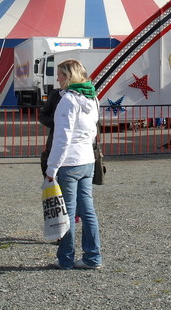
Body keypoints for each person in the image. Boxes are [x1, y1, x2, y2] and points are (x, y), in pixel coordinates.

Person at [46, 59, 103, 269]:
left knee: (67, 212)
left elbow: (62, 138)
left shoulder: (68, 100)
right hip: (87, 159)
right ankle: (93, 257)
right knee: (88, 211)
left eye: (60, 75)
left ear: (69, 76)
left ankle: (65, 259)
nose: (58, 79)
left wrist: (51, 168)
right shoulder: (92, 98)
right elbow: (93, 131)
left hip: (69, 162)